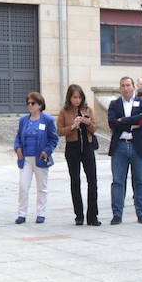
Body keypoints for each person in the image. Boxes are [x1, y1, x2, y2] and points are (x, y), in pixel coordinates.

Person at [107, 76, 142, 225]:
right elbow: (112, 123)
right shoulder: (114, 104)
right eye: (122, 86)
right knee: (118, 181)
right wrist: (131, 124)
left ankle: (141, 213)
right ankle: (117, 214)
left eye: (128, 85)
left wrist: (123, 121)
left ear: (133, 87)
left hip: (137, 145)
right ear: (120, 88)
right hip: (120, 145)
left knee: (140, 180)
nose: (125, 88)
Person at [13, 92, 58, 224]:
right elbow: (18, 137)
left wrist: (47, 151)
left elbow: (54, 139)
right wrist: (17, 148)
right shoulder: (23, 121)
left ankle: (41, 213)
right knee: (23, 186)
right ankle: (22, 214)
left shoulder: (48, 120)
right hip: (26, 158)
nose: (30, 106)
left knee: (41, 187)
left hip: (40, 157)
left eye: (32, 103)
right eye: (28, 103)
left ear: (40, 105)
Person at [58, 85, 100, 226]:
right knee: (75, 182)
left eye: (79, 97)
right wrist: (73, 126)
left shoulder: (88, 110)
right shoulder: (64, 112)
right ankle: (79, 216)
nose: (77, 100)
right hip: (72, 148)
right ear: (69, 98)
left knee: (92, 182)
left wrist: (87, 122)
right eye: (74, 97)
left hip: (87, 147)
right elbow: (59, 131)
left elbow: (94, 128)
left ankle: (92, 216)